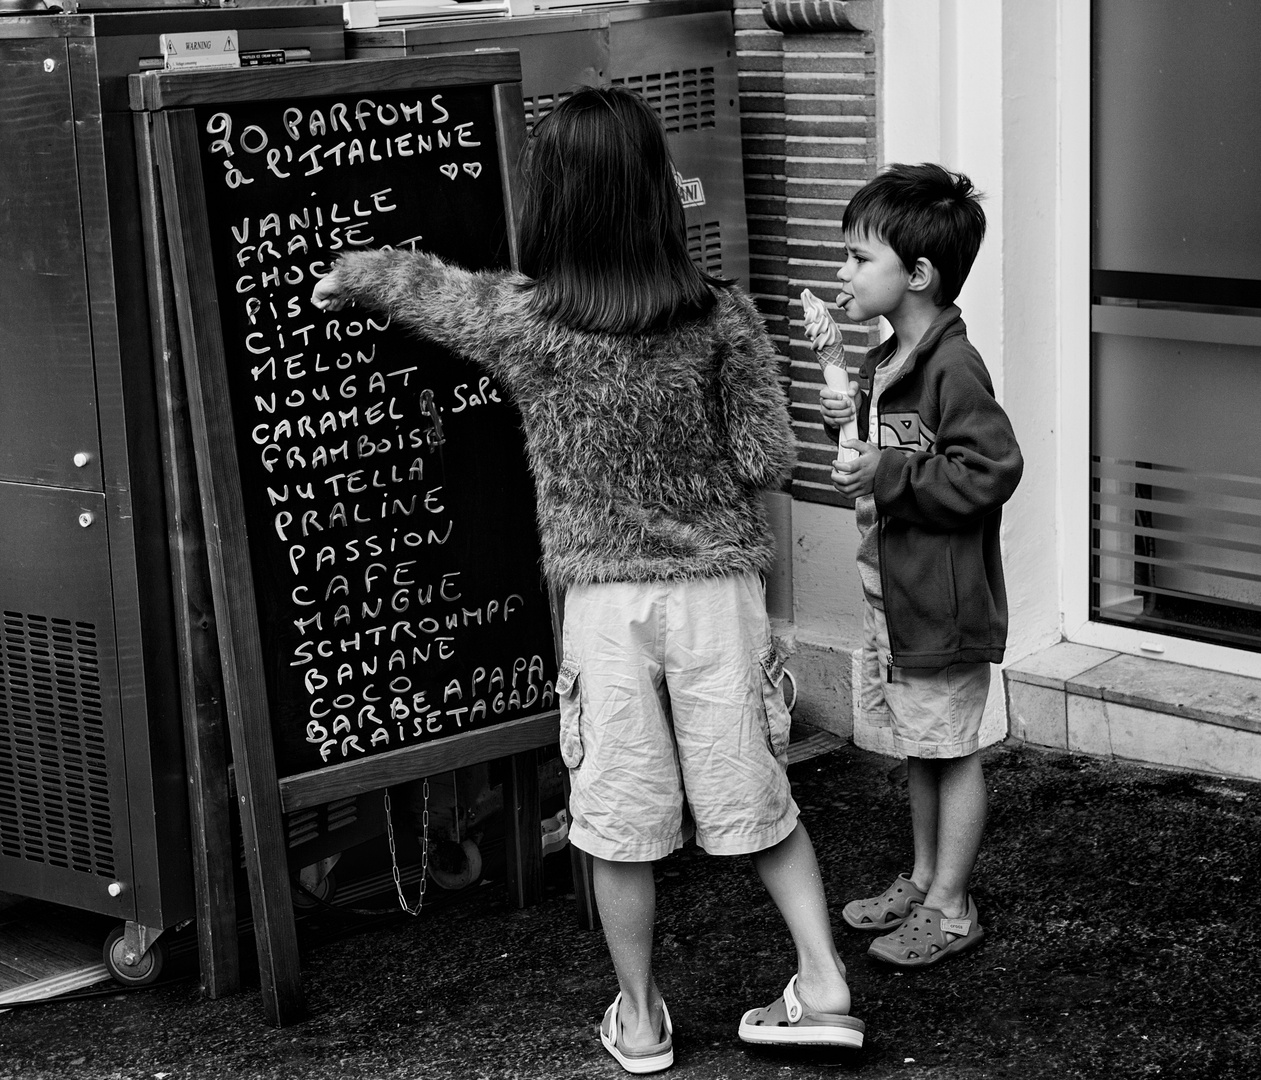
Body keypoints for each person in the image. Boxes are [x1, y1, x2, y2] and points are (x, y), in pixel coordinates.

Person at [312, 85, 863, 1073]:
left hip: (606, 607)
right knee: (756, 793)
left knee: (616, 819)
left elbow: (429, 291)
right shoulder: (721, 316)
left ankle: (644, 1022)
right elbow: (769, 457)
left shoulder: (524, 320)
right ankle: (822, 986)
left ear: (553, 197)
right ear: (658, 191)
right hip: (716, 591)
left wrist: (353, 272)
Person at [806, 163, 1023, 967]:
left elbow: (989, 469)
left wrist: (883, 472)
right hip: (898, 597)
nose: (842, 273)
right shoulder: (892, 357)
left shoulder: (951, 365)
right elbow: (897, 440)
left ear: (918, 274)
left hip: (942, 601)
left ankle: (952, 906)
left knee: (950, 750)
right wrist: (850, 415)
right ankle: (926, 876)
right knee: (920, 749)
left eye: (858, 258)